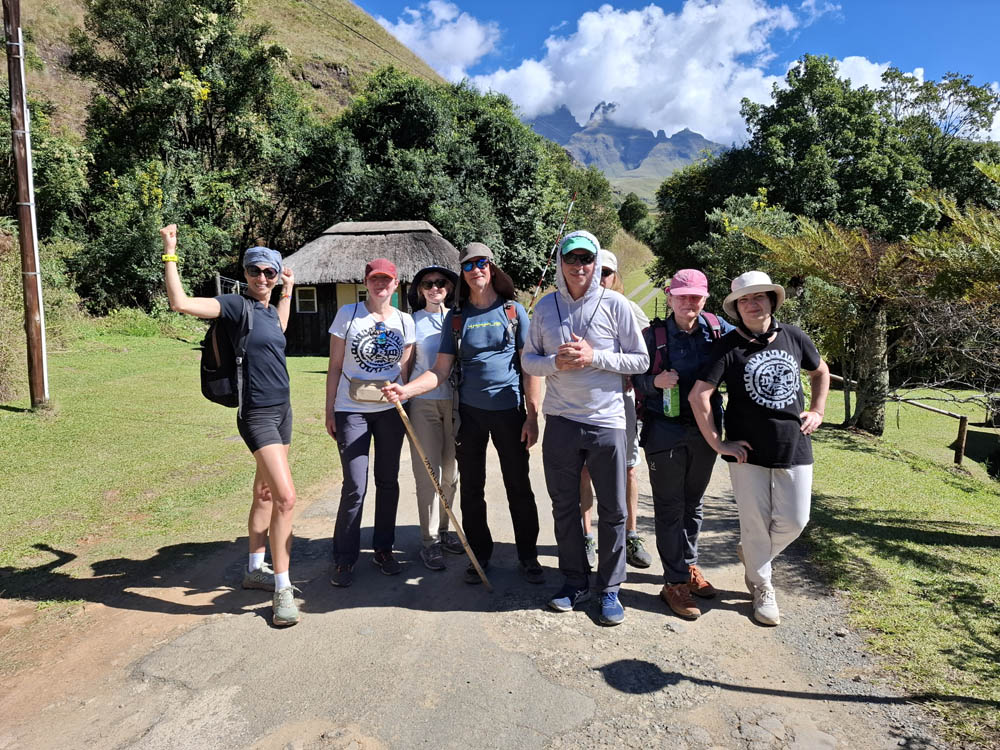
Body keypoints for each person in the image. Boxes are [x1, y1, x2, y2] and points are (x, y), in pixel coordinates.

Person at [159, 224, 300, 627]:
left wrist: (288, 291)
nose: (261, 278)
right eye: (255, 271)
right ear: (245, 273)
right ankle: (282, 589)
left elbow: (280, 329)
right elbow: (180, 303)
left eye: (269, 272)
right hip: (257, 414)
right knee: (286, 498)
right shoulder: (236, 306)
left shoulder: (269, 312)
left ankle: (255, 569)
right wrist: (170, 252)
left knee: (265, 493)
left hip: (283, 410)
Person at [384, 243, 543, 585]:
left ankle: (528, 556)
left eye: (481, 263)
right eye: (468, 266)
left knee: (519, 485)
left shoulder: (514, 311)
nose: (475, 270)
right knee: (472, 488)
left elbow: (530, 368)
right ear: (463, 274)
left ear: (492, 267)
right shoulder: (456, 318)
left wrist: (532, 416)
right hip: (469, 415)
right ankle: (479, 555)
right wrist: (406, 390)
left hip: (510, 412)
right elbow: (440, 370)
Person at [521, 230, 649, 626]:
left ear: (596, 263)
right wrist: (554, 364)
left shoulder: (616, 305)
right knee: (564, 507)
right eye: (572, 259)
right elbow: (528, 360)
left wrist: (596, 356)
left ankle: (609, 588)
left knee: (613, 509)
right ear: (561, 263)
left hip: (607, 422)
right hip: (561, 421)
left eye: (586, 259)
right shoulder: (545, 307)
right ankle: (574, 582)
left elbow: (641, 360)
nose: (579, 266)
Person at [689, 271, 829, 626]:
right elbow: (698, 395)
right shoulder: (727, 346)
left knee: (795, 521)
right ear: (737, 308)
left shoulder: (794, 336)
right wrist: (717, 442)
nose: (752, 305)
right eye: (744, 300)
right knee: (754, 524)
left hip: (794, 444)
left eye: (758, 297)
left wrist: (818, 410)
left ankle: (753, 556)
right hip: (746, 452)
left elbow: (820, 371)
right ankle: (762, 587)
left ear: (772, 301)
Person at [632, 269, 734, 621]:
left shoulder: (718, 329)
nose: (689, 302)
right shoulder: (652, 336)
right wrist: (654, 382)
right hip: (664, 430)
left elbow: (749, 347)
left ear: (705, 298)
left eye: (696, 296)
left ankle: (688, 566)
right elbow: (630, 378)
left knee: (694, 502)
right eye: (682, 295)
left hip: (705, 430)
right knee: (670, 506)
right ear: (669, 295)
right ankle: (674, 582)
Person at [326, 259, 415, 587]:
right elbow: (335, 365)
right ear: (366, 282)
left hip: (390, 410)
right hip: (351, 409)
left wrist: (406, 403)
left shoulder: (405, 321)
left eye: (386, 280)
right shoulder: (347, 315)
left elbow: (404, 371)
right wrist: (330, 410)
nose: (380, 285)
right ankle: (344, 558)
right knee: (355, 485)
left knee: (388, 481)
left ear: (395, 284)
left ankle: (383, 549)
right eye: (375, 279)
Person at [578, 250, 652, 571]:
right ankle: (586, 536)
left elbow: (647, 357)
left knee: (629, 469)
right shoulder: (575, 309)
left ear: (615, 276)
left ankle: (631, 535)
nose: (600, 279)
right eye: (596, 272)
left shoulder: (630, 310)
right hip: (585, 403)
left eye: (606, 273)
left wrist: (631, 377)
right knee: (584, 470)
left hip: (622, 404)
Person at [405, 264, 465, 571]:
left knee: (451, 475)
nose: (434, 288)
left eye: (440, 282)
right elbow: (405, 367)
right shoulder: (412, 321)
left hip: (455, 404)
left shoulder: (459, 318)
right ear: (419, 290)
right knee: (427, 473)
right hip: (423, 404)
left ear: (450, 288)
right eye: (427, 284)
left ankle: (444, 529)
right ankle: (429, 541)